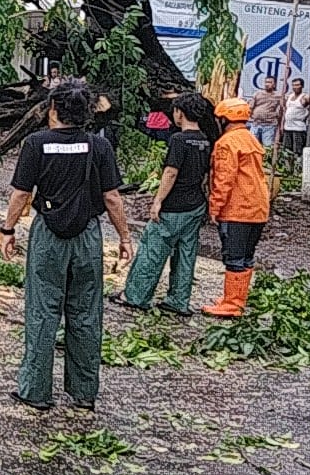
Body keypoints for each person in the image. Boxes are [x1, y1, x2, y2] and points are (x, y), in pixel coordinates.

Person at [0, 79, 133, 412]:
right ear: (86, 112)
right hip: (88, 236)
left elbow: (21, 194)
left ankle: (35, 391)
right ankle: (84, 392)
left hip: (49, 235)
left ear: (53, 109)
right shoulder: (99, 147)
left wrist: (7, 229)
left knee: (42, 312)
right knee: (86, 314)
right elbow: (112, 198)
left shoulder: (37, 143)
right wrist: (126, 238)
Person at [111, 93, 215, 315]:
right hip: (195, 204)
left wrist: (157, 201)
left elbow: (170, 172)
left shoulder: (179, 139)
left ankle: (135, 296)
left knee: (152, 250)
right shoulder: (205, 140)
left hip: (174, 205)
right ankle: (179, 300)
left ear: (180, 113)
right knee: (186, 253)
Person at [203, 98, 271, 318]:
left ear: (224, 119)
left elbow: (224, 179)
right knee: (246, 256)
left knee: (233, 257)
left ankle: (232, 304)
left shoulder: (227, 143)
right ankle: (237, 300)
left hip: (237, 209)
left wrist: (214, 207)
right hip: (258, 208)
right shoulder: (251, 139)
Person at [247, 76, 283, 148]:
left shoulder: (278, 96)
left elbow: (282, 109)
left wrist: (280, 125)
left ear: (274, 85)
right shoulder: (258, 94)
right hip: (256, 124)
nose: (267, 84)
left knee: (267, 147)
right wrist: (251, 116)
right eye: (266, 82)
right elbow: (250, 107)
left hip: (269, 125)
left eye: (270, 82)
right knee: (251, 145)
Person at [282, 78, 310, 156]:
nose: (295, 87)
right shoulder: (290, 96)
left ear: (302, 86)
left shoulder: (305, 97)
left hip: (298, 128)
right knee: (287, 151)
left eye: (297, 85)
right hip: (287, 127)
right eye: (293, 85)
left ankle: (297, 167)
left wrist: (306, 116)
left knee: (298, 151)